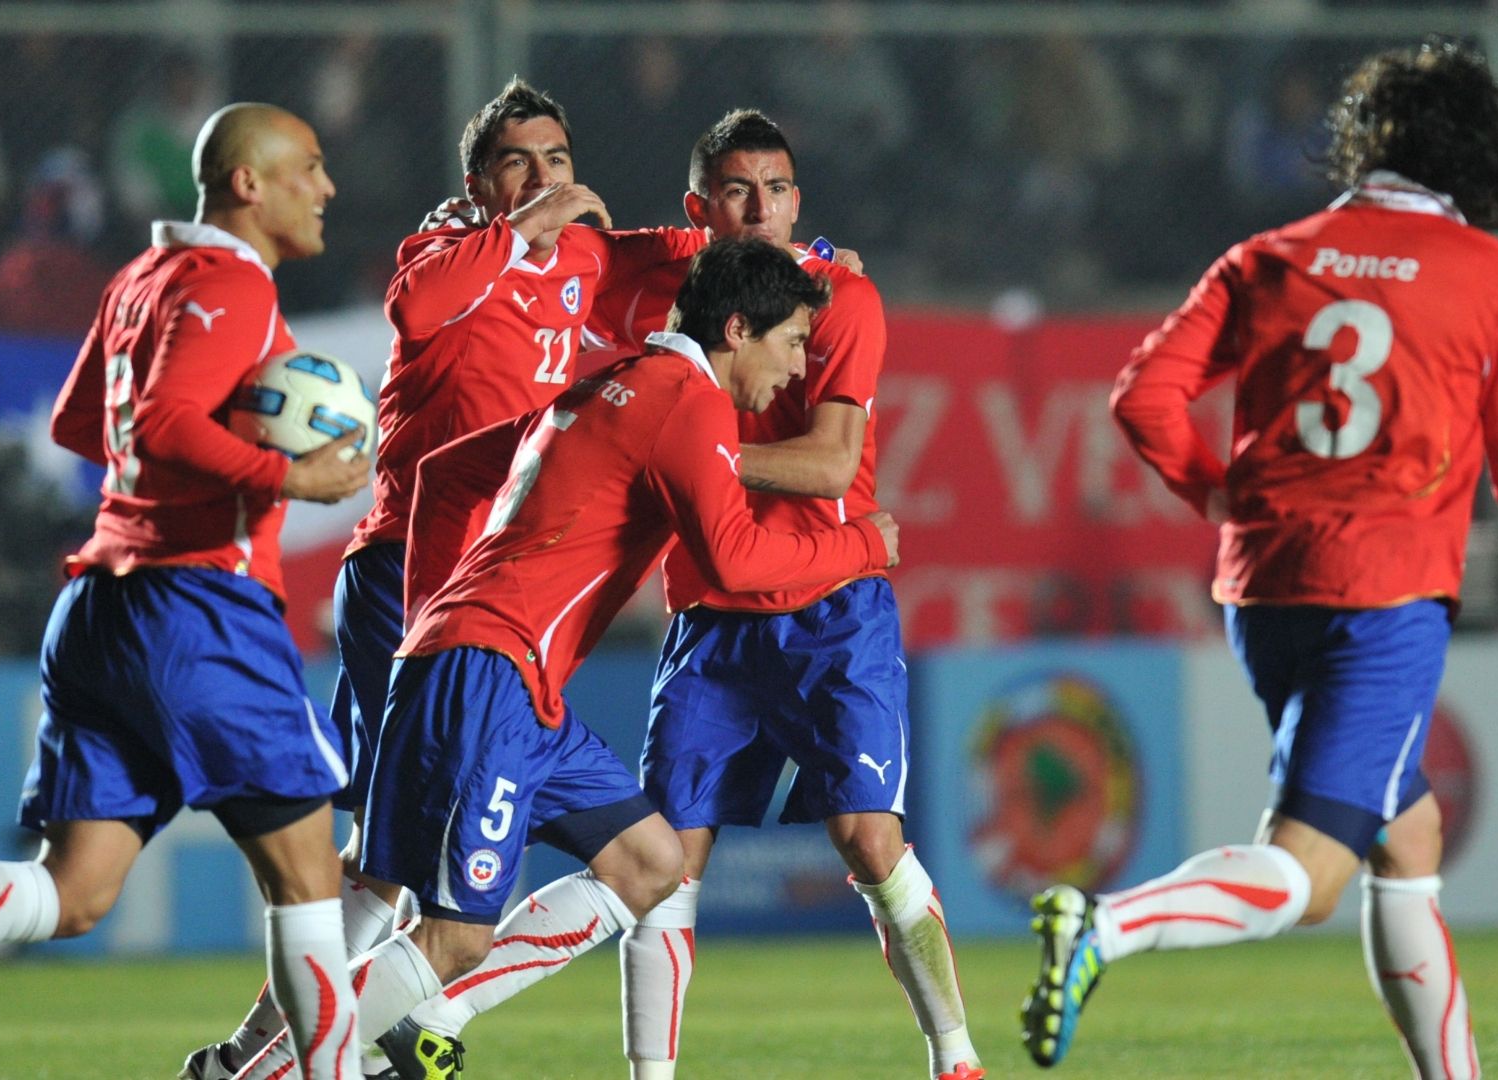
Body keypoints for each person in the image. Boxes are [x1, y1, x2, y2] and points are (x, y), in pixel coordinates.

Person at [1024, 41, 1498, 1078]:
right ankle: (1104, 925)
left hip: (1265, 590)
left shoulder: (1272, 255)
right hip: (1385, 596)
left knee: (1406, 838)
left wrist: (1216, 494)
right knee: (1310, 876)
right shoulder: (1490, 272)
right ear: (1483, 156)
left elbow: (1144, 396)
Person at [0, 103, 371, 1080]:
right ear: (248, 183)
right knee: (310, 883)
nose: (327, 187)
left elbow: (81, 422)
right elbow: (166, 422)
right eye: (307, 166)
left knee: (75, 889)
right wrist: (284, 473)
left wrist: (192, 454)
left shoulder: (141, 276)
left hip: (100, 606)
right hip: (201, 607)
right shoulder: (230, 283)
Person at [388, 108, 985, 1080]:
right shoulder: (656, 280)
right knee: (662, 865)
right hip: (710, 609)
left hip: (831, 604)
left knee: (869, 841)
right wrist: (466, 236)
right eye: (737, 192)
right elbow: (513, 275)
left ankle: (955, 1057)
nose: (762, 209)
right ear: (696, 210)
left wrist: (669, 454)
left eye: (778, 190)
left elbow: (834, 463)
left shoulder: (840, 296)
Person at [229, 237, 899, 1080]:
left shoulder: (609, 385)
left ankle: (326, 1043)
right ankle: (264, 1074)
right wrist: (860, 545)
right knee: (454, 936)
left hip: (496, 676)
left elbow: (445, 473)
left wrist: (436, 614)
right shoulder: (688, 402)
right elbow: (734, 561)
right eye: (793, 341)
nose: (799, 367)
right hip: (488, 676)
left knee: (649, 860)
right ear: (737, 329)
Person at [182, 76, 705, 1080]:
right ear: (478, 184)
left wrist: (804, 259)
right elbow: (416, 305)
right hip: (410, 577)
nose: (544, 178)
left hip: (501, 601)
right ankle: (278, 1058)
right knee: (391, 868)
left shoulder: (586, 255)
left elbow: (695, 255)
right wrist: (523, 227)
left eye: (557, 160)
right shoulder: (447, 248)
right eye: (518, 163)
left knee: (626, 861)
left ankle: (297, 1047)